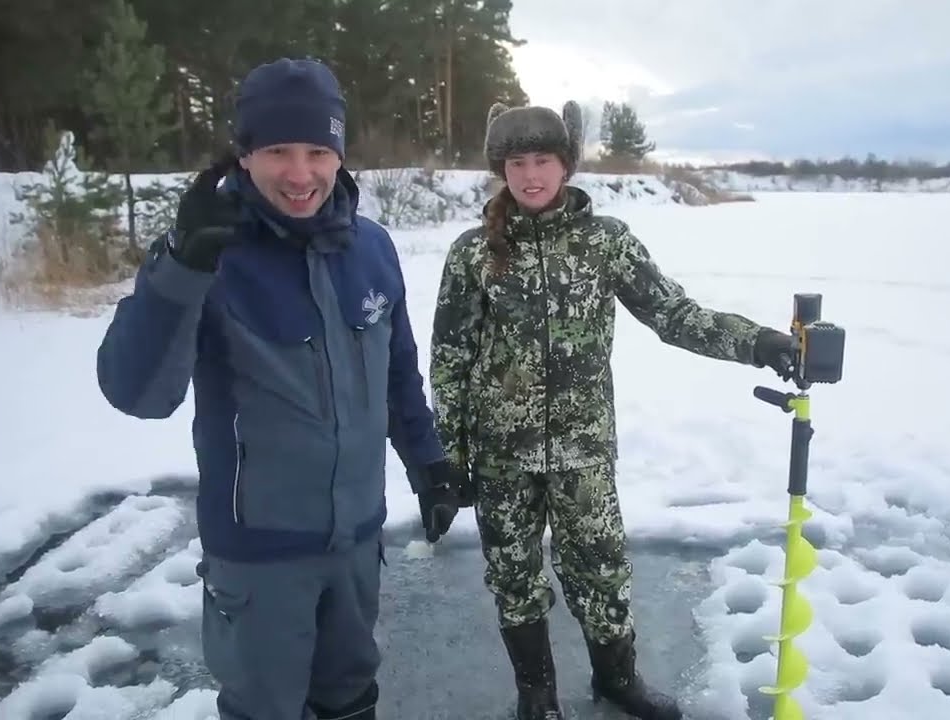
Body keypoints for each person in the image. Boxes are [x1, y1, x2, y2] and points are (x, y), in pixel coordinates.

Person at [95, 57, 467, 720]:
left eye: (318, 151)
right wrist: (181, 268)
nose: (301, 174)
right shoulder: (206, 254)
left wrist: (429, 462)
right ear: (242, 155)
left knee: (351, 695)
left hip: (356, 542)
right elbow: (138, 393)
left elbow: (398, 375)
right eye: (277, 151)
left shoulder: (373, 250)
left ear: (340, 154)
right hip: (260, 558)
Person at [428, 100, 798, 720]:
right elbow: (450, 362)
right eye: (516, 163)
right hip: (501, 458)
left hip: (584, 454)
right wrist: (451, 459)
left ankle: (616, 681)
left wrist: (756, 342)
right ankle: (537, 697)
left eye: (542, 159)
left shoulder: (606, 243)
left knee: (601, 572)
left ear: (566, 164)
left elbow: (673, 314)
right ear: (502, 170)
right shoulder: (472, 253)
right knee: (514, 580)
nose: (530, 175)